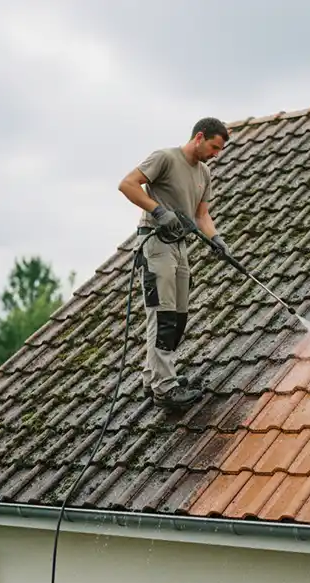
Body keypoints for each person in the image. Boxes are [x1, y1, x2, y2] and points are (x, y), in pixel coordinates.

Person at [118, 117, 231, 409]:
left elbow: (201, 215)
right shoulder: (165, 158)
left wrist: (216, 238)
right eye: (214, 147)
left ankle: (152, 377)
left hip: (180, 246)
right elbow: (127, 185)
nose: (215, 154)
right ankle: (164, 389)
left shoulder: (204, 173)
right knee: (163, 314)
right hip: (156, 243)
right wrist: (158, 211)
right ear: (199, 137)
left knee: (178, 315)